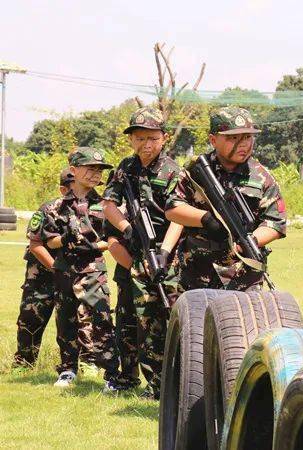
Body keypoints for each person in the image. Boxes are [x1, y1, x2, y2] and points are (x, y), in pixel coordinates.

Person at [102, 106, 183, 399]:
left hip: (168, 253)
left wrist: (163, 250)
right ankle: (140, 381)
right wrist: (125, 229)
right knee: (134, 316)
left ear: (164, 137)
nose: (145, 145)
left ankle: (167, 383)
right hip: (135, 249)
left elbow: (179, 217)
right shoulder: (125, 167)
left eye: (151, 138)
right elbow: (108, 204)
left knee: (165, 315)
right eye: (138, 138)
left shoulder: (174, 171)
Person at [165, 106, 286, 292]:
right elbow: (173, 208)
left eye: (247, 137)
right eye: (233, 138)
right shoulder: (195, 171)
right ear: (213, 140)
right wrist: (205, 219)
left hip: (243, 276)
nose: (243, 144)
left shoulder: (262, 177)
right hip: (197, 274)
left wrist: (251, 241)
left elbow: (275, 223)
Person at [41, 147, 121, 391]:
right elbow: (49, 240)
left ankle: (111, 374)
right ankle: (67, 370)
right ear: (74, 171)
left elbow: (114, 239)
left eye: (99, 170)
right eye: (90, 168)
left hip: (92, 268)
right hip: (65, 268)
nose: (95, 174)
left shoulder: (106, 205)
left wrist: (93, 244)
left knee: (100, 319)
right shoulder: (54, 207)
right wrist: (66, 239)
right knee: (65, 318)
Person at [12, 169, 94, 369]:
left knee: (76, 321)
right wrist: (56, 269)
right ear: (62, 189)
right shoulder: (48, 209)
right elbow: (36, 245)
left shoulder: (88, 211)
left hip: (73, 276)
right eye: (71, 189)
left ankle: (77, 366)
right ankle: (24, 364)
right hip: (41, 277)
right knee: (31, 319)